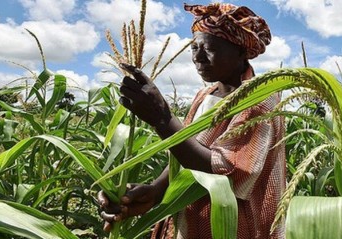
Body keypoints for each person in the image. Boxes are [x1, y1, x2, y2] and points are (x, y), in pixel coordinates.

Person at [98, 3, 286, 239]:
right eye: (194, 48)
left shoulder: (261, 99)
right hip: (190, 224)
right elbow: (186, 151)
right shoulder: (204, 96)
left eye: (208, 48)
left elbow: (226, 172)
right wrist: (156, 190)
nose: (198, 57)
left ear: (239, 51)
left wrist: (162, 119)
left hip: (234, 228)